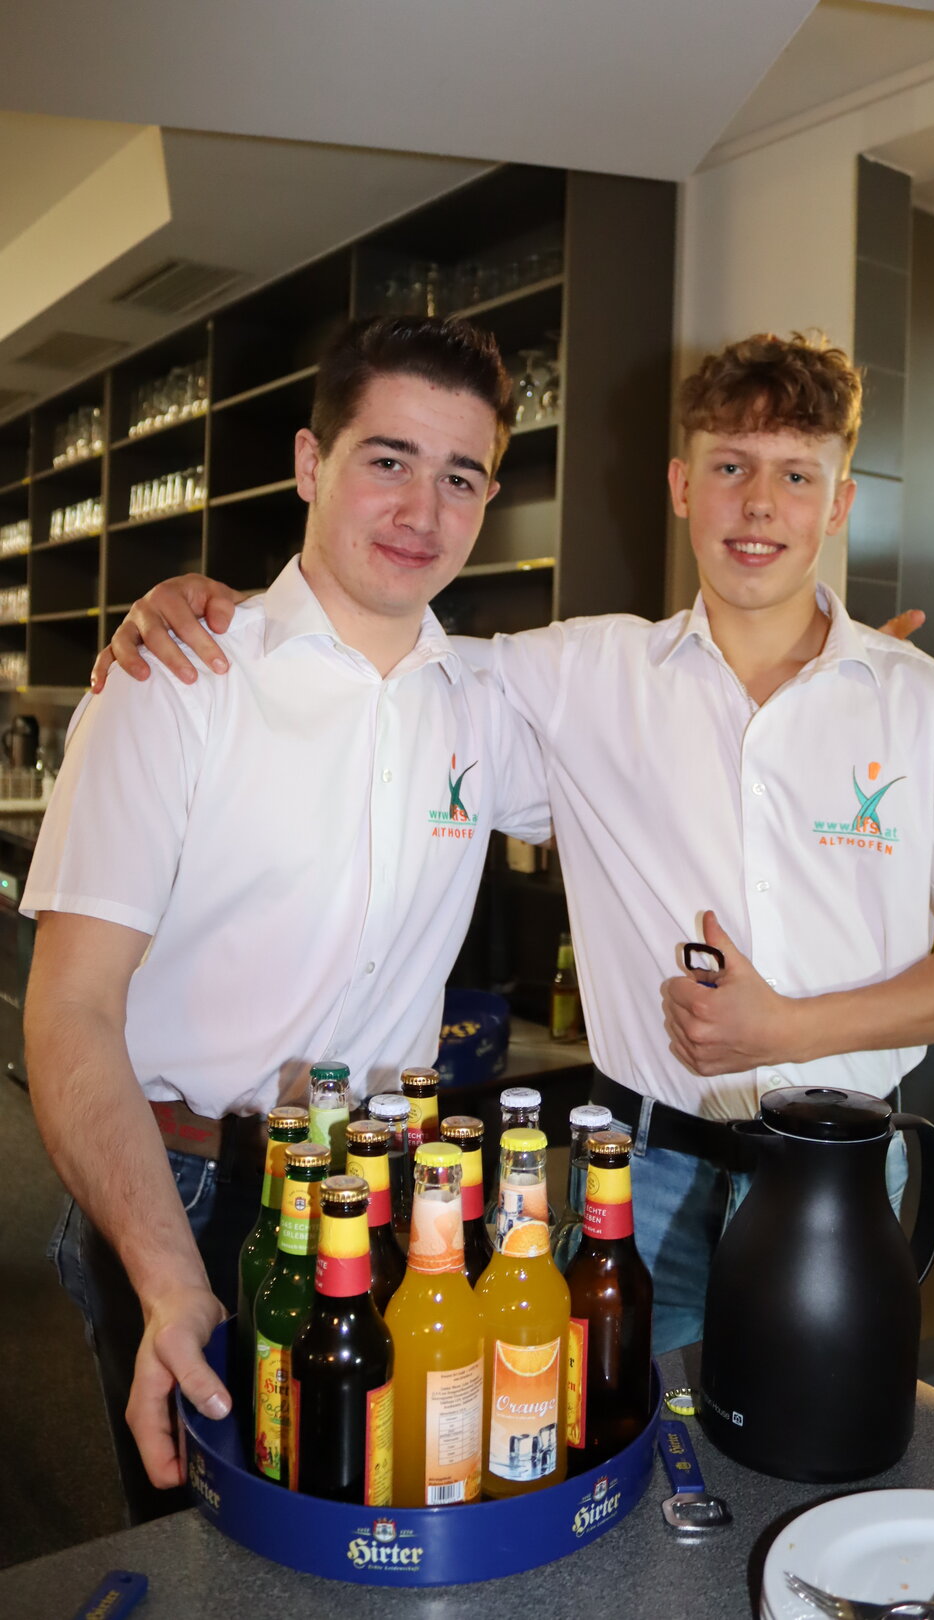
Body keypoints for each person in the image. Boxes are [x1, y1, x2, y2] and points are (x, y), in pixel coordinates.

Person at [95, 332, 934, 1354]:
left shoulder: (928, 712)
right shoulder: (583, 677)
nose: (759, 506)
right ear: (682, 486)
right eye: (730, 468)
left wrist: (789, 1029)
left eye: (795, 475)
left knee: (821, 1427)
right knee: (620, 1428)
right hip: (637, 1171)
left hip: (842, 1165)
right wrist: (216, 612)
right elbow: (368, 640)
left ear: (840, 503)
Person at [21, 316, 551, 1521]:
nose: (421, 510)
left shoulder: (490, 703)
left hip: (393, 1194)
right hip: (188, 1189)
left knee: (392, 1515)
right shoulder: (179, 681)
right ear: (313, 463)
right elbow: (69, 1010)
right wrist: (170, 1281)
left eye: (459, 476)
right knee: (210, 1552)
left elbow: (671, 778)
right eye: (388, 460)